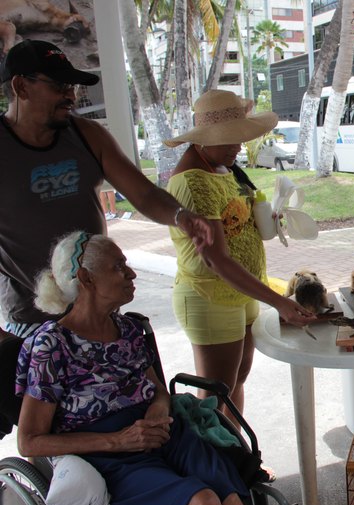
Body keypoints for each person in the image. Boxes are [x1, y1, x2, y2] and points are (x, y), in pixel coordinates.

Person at [15, 231, 248, 505]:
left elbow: (158, 391)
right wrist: (116, 441)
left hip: (161, 433)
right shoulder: (52, 345)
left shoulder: (129, 329)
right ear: (86, 279)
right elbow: (30, 442)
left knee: (231, 497)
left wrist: (158, 410)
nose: (131, 274)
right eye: (118, 267)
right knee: (203, 501)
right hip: (108, 455)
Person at [0, 40, 213, 343]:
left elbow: (145, 195)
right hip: (31, 325)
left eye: (72, 87)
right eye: (60, 86)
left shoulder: (88, 135)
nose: (70, 96)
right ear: (21, 86)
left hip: (98, 315)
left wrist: (181, 216)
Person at [164, 90, 316, 424]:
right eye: (230, 139)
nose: (238, 147)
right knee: (216, 394)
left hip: (241, 292)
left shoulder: (220, 168)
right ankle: (218, 471)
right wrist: (279, 302)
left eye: (240, 138)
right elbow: (216, 260)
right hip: (210, 296)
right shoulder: (193, 182)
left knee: (236, 382)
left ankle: (238, 459)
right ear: (203, 139)